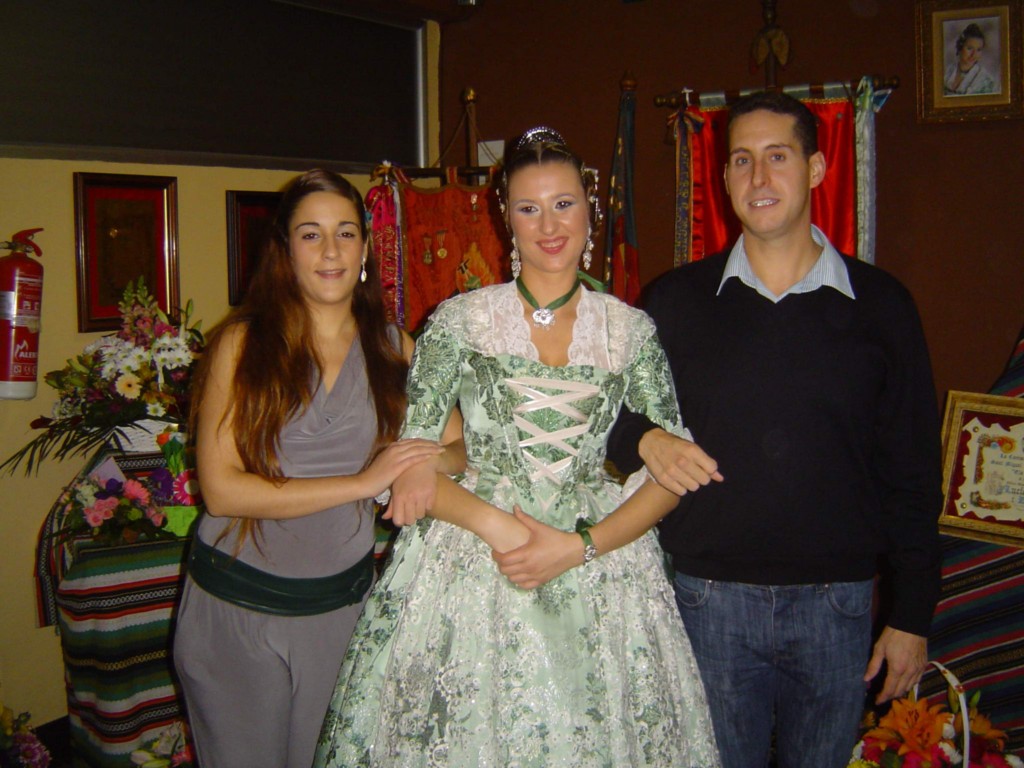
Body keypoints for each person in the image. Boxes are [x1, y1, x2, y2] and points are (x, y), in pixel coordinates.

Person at [314, 129, 720, 767]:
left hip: (601, 568)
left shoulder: (630, 331)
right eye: (529, 208)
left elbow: (673, 475)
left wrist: (582, 546)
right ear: (507, 219)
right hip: (474, 562)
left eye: (564, 204)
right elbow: (414, 465)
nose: (549, 226)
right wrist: (500, 527)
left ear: (590, 210)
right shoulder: (460, 322)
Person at [607, 91, 943, 767]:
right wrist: (646, 437)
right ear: (724, 177)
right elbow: (607, 419)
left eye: (777, 157)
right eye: (741, 160)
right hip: (707, 603)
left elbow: (912, 471)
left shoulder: (882, 307)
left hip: (837, 607)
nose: (758, 177)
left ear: (816, 169)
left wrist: (911, 615)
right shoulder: (674, 302)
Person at [173, 169, 460, 768]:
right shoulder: (242, 345)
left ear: (365, 248)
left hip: (340, 614)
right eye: (311, 234)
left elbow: (464, 448)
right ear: (285, 249)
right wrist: (365, 482)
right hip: (237, 611)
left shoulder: (397, 350)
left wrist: (419, 465)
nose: (331, 251)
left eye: (345, 233)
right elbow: (222, 491)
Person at [944, 22, 998, 95]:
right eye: (969, 48)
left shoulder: (986, 81)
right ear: (960, 47)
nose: (974, 54)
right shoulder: (947, 73)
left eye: (978, 50)